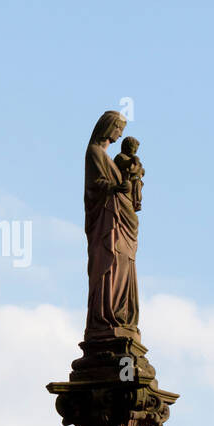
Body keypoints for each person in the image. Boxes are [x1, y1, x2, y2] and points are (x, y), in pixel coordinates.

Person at [84, 111, 140, 339]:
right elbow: (95, 186)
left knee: (124, 263)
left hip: (122, 219)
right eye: (118, 129)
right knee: (110, 263)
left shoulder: (111, 159)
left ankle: (122, 315)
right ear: (108, 128)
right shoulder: (95, 152)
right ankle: (106, 318)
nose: (120, 134)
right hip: (107, 221)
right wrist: (114, 188)